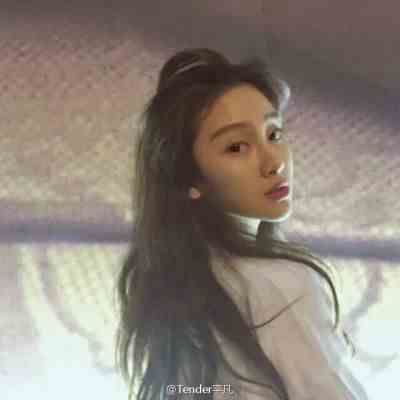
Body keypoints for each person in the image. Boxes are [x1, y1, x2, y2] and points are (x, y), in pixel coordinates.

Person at [114, 48, 369, 399]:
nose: (273, 162)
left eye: (274, 134)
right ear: (189, 177)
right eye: (237, 147)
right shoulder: (281, 284)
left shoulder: (169, 280)